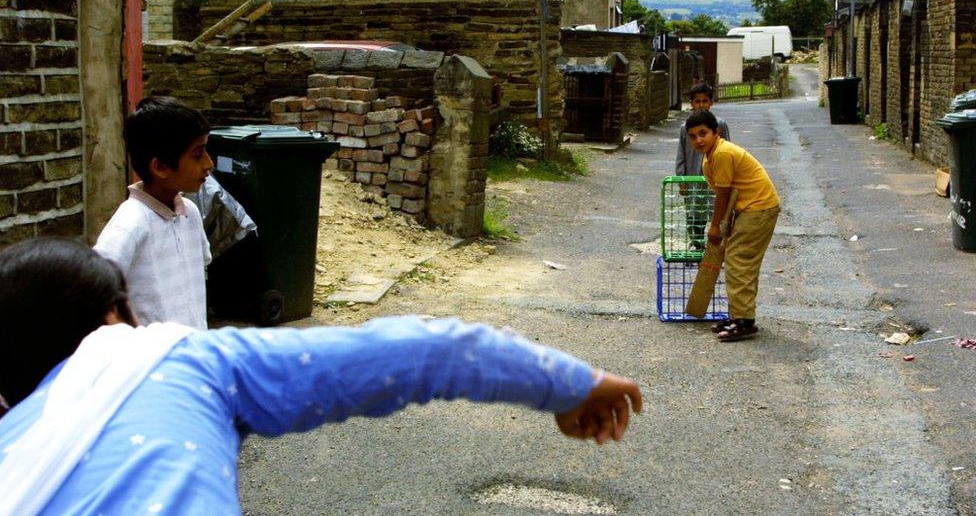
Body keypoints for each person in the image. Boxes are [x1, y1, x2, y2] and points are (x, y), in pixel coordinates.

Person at [0, 239, 643, 516]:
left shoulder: (14, 448)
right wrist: (570, 382)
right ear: (117, 313)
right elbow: (419, 351)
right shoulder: (183, 360)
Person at [94, 97, 214, 330]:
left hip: (193, 355)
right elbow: (94, 290)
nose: (209, 163)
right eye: (198, 154)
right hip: (155, 361)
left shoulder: (190, 213)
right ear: (161, 167)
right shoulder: (130, 223)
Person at [685, 110, 780, 342]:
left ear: (716, 132)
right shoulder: (713, 153)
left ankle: (744, 322)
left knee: (739, 261)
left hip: (758, 208)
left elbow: (723, 195)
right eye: (693, 136)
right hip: (750, 208)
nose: (698, 140)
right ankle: (739, 316)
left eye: (703, 133)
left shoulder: (723, 153)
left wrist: (715, 227)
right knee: (740, 261)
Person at [675, 83, 730, 251]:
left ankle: (715, 250)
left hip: (715, 181)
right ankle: (697, 246)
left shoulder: (719, 125)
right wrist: (681, 179)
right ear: (691, 103)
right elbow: (681, 155)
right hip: (693, 180)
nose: (701, 105)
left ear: (711, 103)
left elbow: (727, 152)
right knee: (694, 214)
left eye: (705, 101)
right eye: (697, 101)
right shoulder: (686, 128)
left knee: (717, 214)